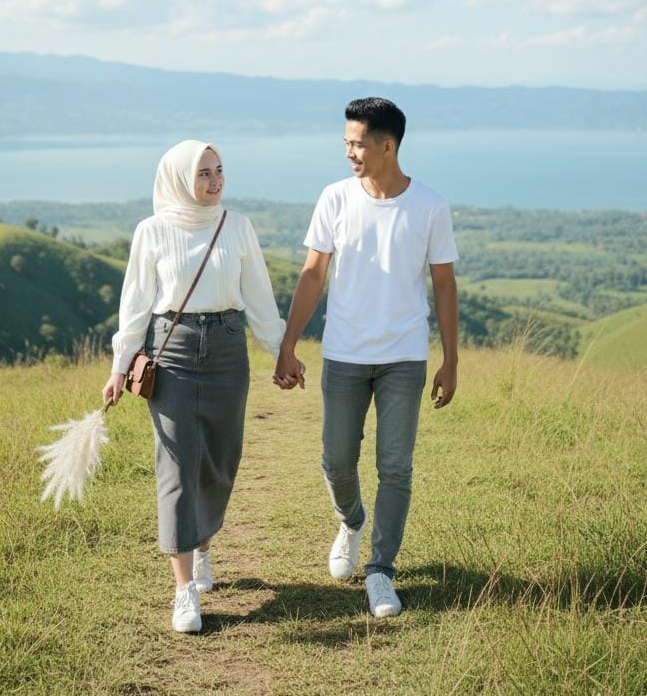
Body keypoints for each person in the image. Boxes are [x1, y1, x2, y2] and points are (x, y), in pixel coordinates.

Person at [273, 97, 458, 618]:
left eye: (357, 144)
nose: (349, 152)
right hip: (344, 354)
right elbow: (313, 274)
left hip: (404, 356)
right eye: (346, 143)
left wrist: (451, 359)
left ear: (387, 145)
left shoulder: (429, 206)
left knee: (395, 466)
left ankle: (381, 570)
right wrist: (288, 345)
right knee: (337, 459)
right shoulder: (334, 198)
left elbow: (444, 285)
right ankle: (351, 521)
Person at [102, 139, 285, 633]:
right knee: (178, 466)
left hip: (228, 348)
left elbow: (259, 296)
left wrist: (280, 351)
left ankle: (203, 545)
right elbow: (136, 304)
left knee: (219, 462)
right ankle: (184, 589)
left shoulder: (237, 226)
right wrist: (120, 366)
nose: (215, 180)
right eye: (204, 173)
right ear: (180, 178)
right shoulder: (153, 230)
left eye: (219, 170)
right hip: (173, 350)